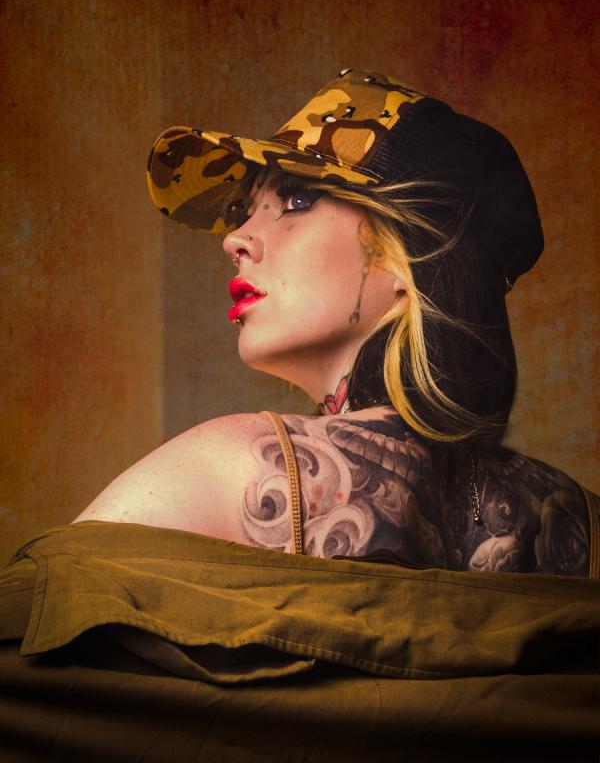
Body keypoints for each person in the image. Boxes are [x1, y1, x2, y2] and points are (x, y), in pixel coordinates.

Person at [73, 67, 599, 576]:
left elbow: (45, 601)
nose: (234, 240)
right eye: (245, 212)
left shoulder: (234, 468)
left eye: (296, 200)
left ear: (409, 255)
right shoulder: (582, 520)